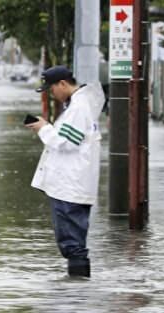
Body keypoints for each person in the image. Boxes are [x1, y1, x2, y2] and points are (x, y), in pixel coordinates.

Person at [26, 65, 105, 277]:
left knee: (72, 244)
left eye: (51, 90)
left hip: (70, 186)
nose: (52, 95)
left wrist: (43, 127)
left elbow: (65, 141)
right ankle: (76, 296)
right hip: (73, 184)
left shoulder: (79, 108)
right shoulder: (80, 105)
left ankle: (76, 297)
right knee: (73, 242)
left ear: (62, 84)